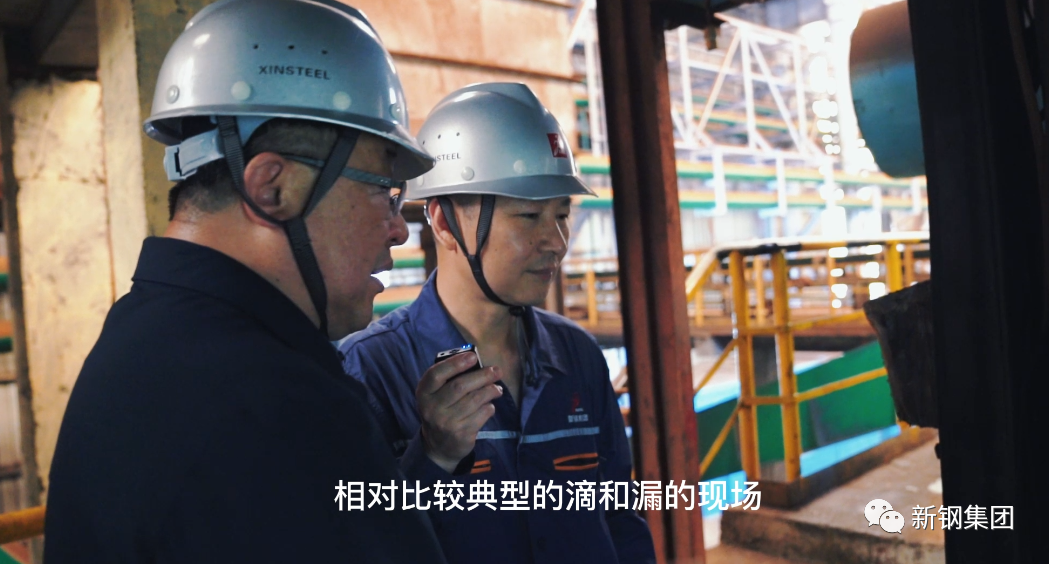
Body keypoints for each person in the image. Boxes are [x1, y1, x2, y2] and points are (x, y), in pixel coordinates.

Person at [43, 1, 446, 562]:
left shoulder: (145, 334)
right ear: (272, 188)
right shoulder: (277, 407)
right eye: (383, 188)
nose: (398, 230)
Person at [338, 82, 656, 564]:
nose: (556, 242)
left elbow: (619, 518)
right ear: (444, 222)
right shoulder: (371, 370)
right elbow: (361, 543)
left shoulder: (578, 356)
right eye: (528, 216)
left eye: (562, 215)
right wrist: (432, 457)